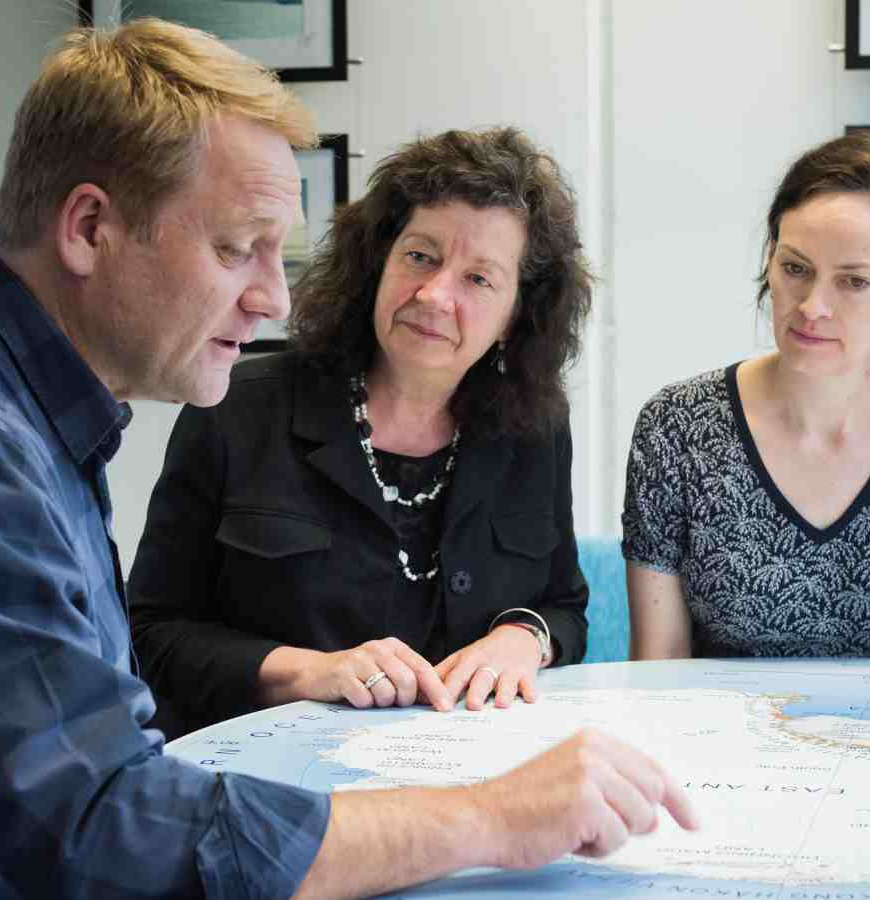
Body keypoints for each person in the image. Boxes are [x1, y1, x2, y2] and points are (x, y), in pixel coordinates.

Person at [0, 20, 694, 898]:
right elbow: (110, 837)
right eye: (236, 248)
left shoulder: (4, 405)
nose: (271, 298)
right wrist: (492, 818)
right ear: (89, 228)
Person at [129, 127, 594, 736]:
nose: (434, 294)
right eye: (420, 256)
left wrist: (521, 639)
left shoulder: (535, 427)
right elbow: (150, 636)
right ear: (378, 262)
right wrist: (309, 672)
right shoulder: (239, 408)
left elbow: (564, 607)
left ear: (516, 317)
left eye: (479, 279)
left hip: (473, 767)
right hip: (272, 773)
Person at [624, 130, 870, 663]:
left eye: (853, 282)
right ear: (770, 259)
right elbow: (659, 675)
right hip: (721, 744)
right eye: (795, 268)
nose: (812, 306)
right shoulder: (676, 428)